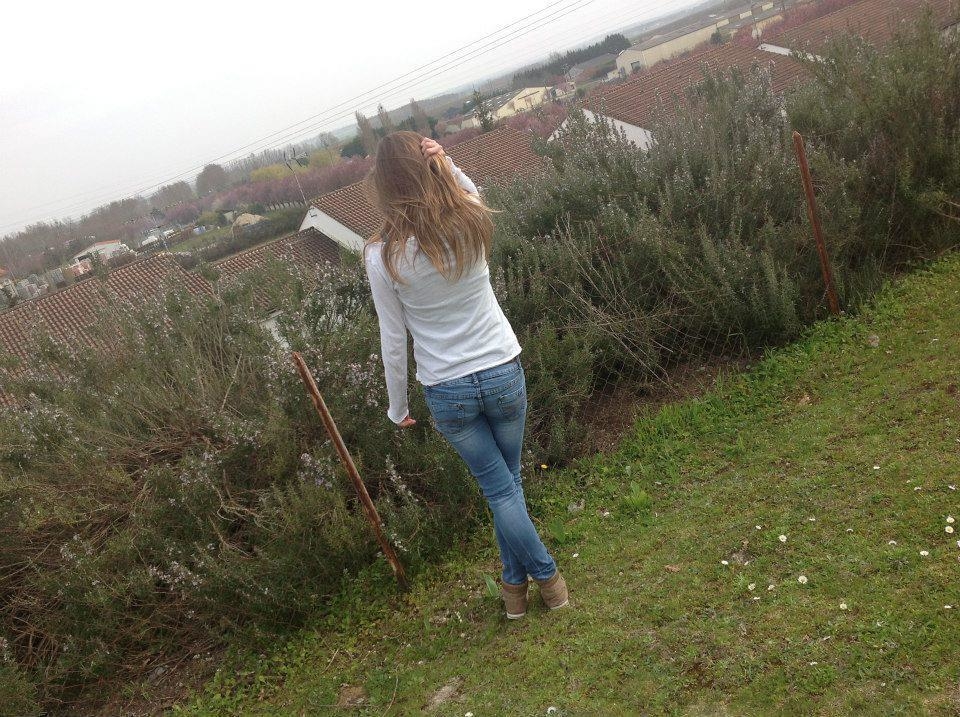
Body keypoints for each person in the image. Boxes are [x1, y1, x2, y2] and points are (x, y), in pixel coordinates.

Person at [363, 130, 568, 619]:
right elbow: (471, 191)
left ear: (384, 185)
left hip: (448, 390)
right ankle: (521, 589)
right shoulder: (470, 220)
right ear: (429, 168)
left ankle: (540, 582)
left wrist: (397, 406)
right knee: (508, 487)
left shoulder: (381, 255)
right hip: (501, 370)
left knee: (501, 491)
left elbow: (393, 339)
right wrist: (447, 163)